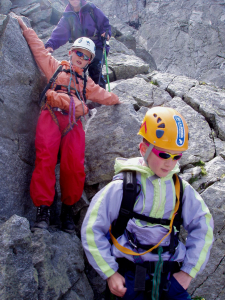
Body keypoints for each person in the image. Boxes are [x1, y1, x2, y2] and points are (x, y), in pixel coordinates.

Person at [81, 107, 214, 299]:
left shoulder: (180, 189)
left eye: (177, 156)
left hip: (170, 279)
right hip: (130, 279)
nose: (170, 163)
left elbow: (204, 227)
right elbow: (92, 229)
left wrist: (187, 273)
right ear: (144, 149)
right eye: (164, 154)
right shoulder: (122, 188)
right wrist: (110, 273)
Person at [13, 14, 120, 233]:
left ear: (89, 61)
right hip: (50, 115)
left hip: (73, 122)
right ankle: (43, 209)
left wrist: (119, 99)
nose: (81, 57)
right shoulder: (54, 67)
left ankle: (68, 211)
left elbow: (104, 95)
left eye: (86, 56)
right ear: (70, 52)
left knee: (74, 167)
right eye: (78, 53)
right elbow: (39, 50)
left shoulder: (87, 83)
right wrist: (25, 27)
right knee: (45, 160)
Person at [45, 0, 111, 89]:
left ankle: (101, 96)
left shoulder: (91, 9)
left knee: (95, 68)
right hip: (81, 48)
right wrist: (50, 45)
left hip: (98, 46)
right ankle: (77, 94)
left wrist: (105, 33)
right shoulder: (67, 16)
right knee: (75, 70)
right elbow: (60, 32)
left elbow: (104, 23)